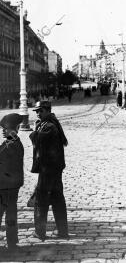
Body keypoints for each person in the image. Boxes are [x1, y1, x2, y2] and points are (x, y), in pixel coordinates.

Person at [29, 101, 69, 241]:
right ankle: (62, 231)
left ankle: (40, 232)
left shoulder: (48, 126)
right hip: (55, 168)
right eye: (37, 111)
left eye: (40, 111)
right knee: (58, 199)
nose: (38, 114)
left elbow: (37, 140)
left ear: (47, 110)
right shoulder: (51, 123)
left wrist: (35, 130)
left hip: (48, 169)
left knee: (41, 200)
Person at [0, 113, 24, 252]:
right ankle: (12, 241)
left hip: (6, 187)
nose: (3, 130)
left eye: (6, 128)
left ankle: (12, 242)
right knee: (11, 214)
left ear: (16, 128)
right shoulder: (11, 142)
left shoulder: (12, 144)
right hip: (10, 185)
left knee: (9, 214)